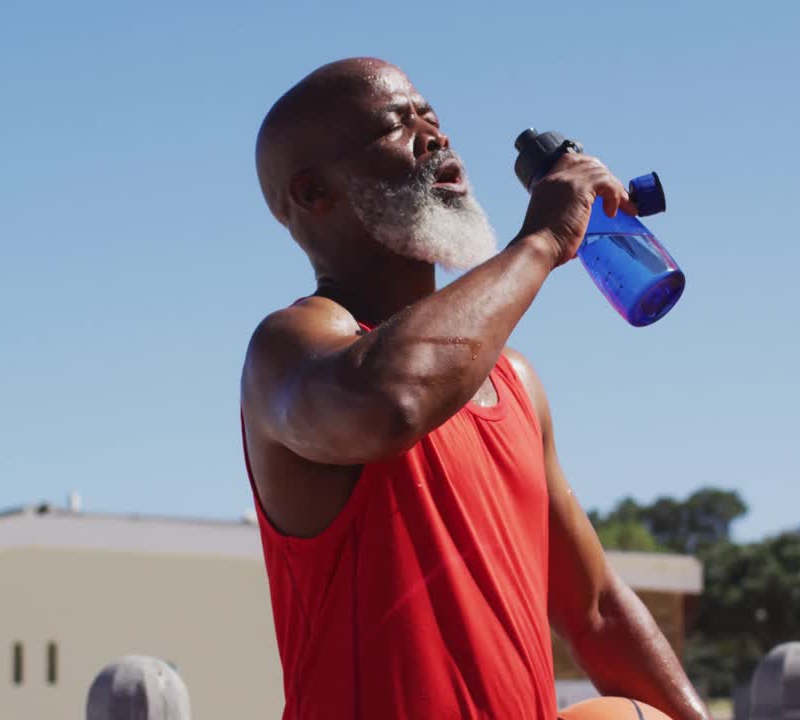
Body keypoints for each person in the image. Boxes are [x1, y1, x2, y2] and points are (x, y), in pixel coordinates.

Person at [240, 56, 711, 720]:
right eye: (397, 126)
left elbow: (595, 610)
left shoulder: (514, 382)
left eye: (434, 117)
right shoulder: (288, 350)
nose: (436, 138)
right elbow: (390, 401)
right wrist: (544, 239)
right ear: (315, 193)